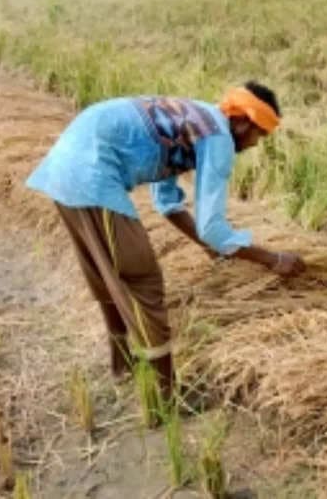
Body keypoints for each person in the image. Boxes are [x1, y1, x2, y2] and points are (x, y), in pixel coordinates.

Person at [26, 81, 305, 404]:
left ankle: (122, 363)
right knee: (142, 279)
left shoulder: (195, 118)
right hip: (92, 172)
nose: (257, 144)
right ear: (243, 121)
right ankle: (166, 398)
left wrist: (206, 243)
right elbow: (213, 225)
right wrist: (272, 259)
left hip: (67, 166)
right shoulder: (218, 138)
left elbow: (168, 203)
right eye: (260, 135)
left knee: (107, 272)